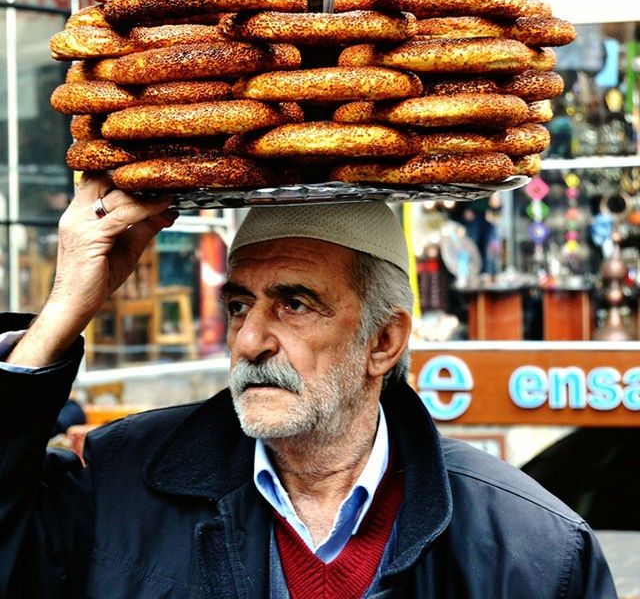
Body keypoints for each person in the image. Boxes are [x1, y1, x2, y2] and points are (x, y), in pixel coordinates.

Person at [0, 175, 617, 598]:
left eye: (295, 305)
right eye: (240, 305)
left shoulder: (530, 548)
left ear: (384, 342)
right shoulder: (123, 481)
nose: (249, 341)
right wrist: (62, 311)